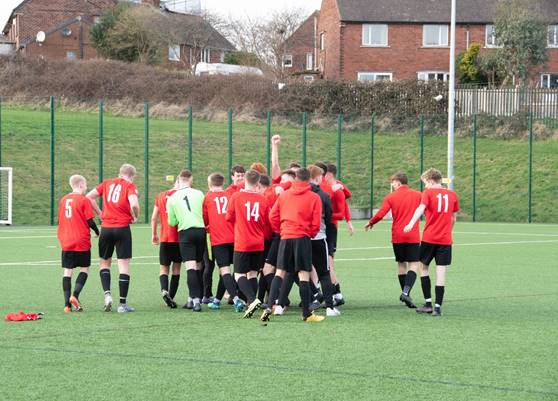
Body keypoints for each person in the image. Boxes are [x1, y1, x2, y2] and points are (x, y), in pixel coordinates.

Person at [261, 168, 324, 323]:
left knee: (279, 272)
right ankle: (306, 314)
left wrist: (281, 230)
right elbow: (316, 223)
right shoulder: (314, 197)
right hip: (302, 238)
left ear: (295, 179)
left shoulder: (284, 195)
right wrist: (310, 233)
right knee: (303, 274)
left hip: (285, 236)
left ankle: (270, 306)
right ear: (309, 180)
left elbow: (272, 216)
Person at [404, 168, 460, 317]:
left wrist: (410, 224)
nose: (425, 187)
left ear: (430, 181)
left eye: (425, 183)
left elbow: (420, 209)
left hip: (429, 238)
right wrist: (448, 231)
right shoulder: (452, 194)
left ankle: (428, 303)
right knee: (441, 272)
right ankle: (438, 307)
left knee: (423, 267)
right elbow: (454, 218)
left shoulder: (428, 193)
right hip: (446, 239)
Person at [87, 164, 139, 313]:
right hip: (122, 228)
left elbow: (89, 197)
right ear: (132, 175)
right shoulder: (130, 186)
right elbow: (134, 204)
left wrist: (100, 213)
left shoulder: (107, 183)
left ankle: (107, 295)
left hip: (106, 228)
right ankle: (122, 304)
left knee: (104, 263)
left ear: (120, 173)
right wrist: (135, 215)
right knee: (123, 265)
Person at [364, 172, 422, 308]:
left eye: (393, 182)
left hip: (397, 236)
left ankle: (405, 293)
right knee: (414, 264)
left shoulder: (391, 196)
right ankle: (406, 293)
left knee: (401, 264)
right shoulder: (418, 195)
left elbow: (381, 213)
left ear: (398, 182)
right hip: (412, 234)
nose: (392, 184)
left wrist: (371, 222)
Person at [226, 169, 270, 319]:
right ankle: (252, 303)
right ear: (258, 183)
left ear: (244, 180)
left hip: (242, 242)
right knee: (252, 274)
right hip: (258, 242)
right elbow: (266, 220)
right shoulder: (263, 199)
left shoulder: (236, 197)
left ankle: (252, 300)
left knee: (238, 274)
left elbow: (229, 217)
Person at [203, 173, 245, 312]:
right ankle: (217, 300)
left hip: (219, 240)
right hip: (235, 238)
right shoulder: (231, 196)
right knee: (227, 272)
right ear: (222, 182)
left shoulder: (207, 198)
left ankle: (236, 299)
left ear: (210, 184)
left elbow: (205, 221)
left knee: (225, 270)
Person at [57, 175, 99, 313]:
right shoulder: (83, 200)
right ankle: (75, 295)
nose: (86, 187)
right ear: (81, 185)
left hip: (65, 239)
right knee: (84, 268)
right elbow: (89, 221)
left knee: (67, 271)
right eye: (85, 184)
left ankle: (66, 305)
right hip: (80, 239)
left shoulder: (63, 200)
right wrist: (97, 231)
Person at [167, 170, 206, 312]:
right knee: (198, 266)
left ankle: (196, 301)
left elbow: (171, 222)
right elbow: (204, 212)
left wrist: (179, 217)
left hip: (185, 233)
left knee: (190, 268)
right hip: (200, 231)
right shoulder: (200, 194)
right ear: (191, 179)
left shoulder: (172, 198)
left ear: (178, 179)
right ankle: (192, 298)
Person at [308, 165, 339, 317]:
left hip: (300, 238)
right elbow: (329, 219)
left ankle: (280, 305)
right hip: (319, 238)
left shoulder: (295, 194)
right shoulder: (323, 196)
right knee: (324, 273)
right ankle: (329, 306)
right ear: (317, 177)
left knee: (293, 272)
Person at [151, 181, 181, 309]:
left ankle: (164, 290)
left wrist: (154, 234)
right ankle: (171, 297)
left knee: (163, 268)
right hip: (179, 238)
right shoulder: (181, 195)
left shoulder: (161, 195)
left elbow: (154, 218)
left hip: (165, 237)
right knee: (176, 269)